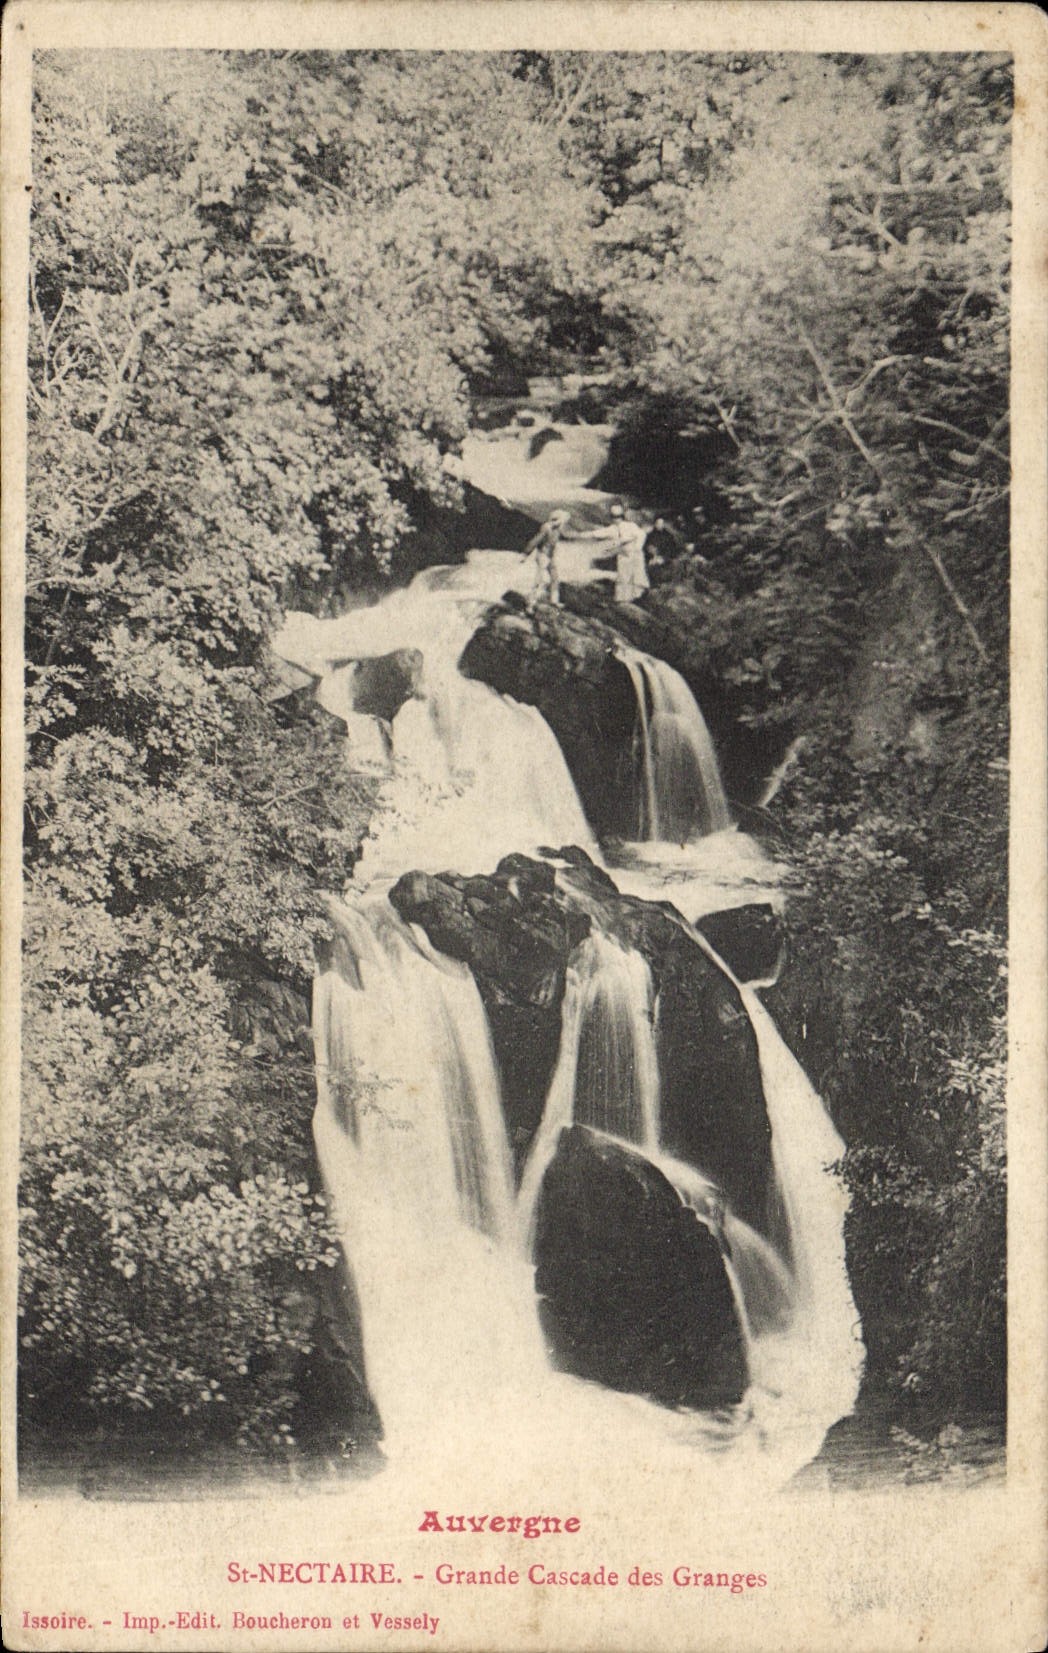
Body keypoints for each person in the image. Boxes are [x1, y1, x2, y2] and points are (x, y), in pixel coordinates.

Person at [590, 502, 649, 602]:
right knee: (624, 576)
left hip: (633, 555)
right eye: (614, 517)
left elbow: (642, 535)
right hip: (623, 555)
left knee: (635, 577)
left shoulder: (630, 526)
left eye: (617, 517)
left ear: (621, 517)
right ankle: (624, 599)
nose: (616, 519)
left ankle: (635, 598)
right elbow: (599, 534)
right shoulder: (613, 528)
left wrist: (637, 548)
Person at [525, 508, 571, 606]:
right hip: (543, 556)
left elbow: (556, 542)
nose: (563, 524)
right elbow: (536, 541)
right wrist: (527, 553)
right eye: (563, 521)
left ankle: (554, 600)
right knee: (539, 580)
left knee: (555, 578)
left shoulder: (558, 528)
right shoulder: (547, 528)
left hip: (550, 556)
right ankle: (530, 603)